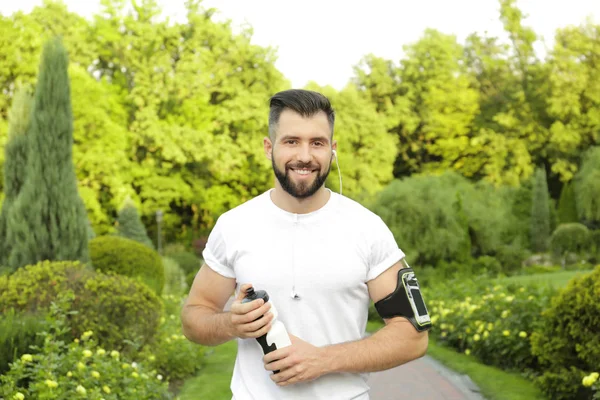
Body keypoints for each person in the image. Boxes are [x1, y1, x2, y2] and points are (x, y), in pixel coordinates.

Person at [181, 89, 429, 399]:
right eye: (291, 141)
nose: (305, 156)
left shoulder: (368, 228)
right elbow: (194, 317)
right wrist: (231, 324)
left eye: (317, 143)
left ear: (332, 150)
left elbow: (413, 335)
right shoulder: (234, 225)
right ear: (269, 147)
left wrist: (322, 360)